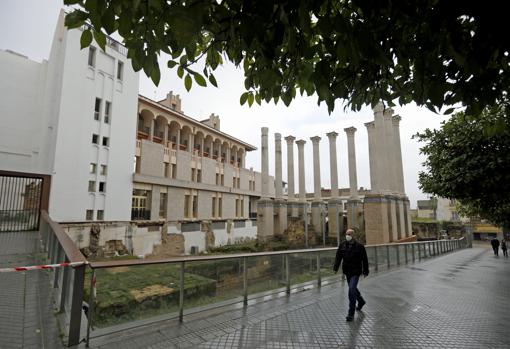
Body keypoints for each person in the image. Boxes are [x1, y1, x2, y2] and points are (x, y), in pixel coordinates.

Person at [333, 228, 369, 321]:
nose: (347, 235)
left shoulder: (360, 247)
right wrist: (335, 268)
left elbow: (364, 259)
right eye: (346, 234)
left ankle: (351, 313)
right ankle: (360, 301)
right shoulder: (342, 245)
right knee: (353, 289)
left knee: (352, 289)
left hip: (356, 271)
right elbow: (338, 257)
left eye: (349, 234)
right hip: (347, 271)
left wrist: (365, 271)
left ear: (353, 236)